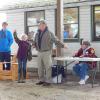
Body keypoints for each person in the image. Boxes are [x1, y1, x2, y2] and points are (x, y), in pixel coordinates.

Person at [34, 20, 67, 86]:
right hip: (39, 52)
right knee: (40, 67)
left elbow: (56, 40)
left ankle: (48, 81)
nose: (39, 26)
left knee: (48, 67)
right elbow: (35, 41)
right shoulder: (37, 33)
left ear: (44, 25)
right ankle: (41, 80)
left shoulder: (49, 33)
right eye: (39, 25)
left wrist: (63, 45)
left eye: (40, 25)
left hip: (47, 52)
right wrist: (34, 45)